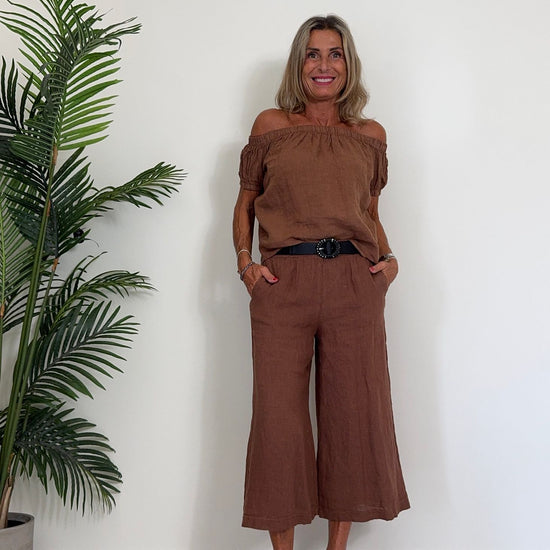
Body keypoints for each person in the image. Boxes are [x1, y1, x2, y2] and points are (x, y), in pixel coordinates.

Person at [232, 14, 410, 550]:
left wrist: (390, 261)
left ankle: (337, 547)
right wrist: (246, 265)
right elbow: (244, 205)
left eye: (335, 54)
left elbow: (369, 213)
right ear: (299, 63)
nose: (324, 65)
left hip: (356, 284)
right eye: (313, 54)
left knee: (353, 414)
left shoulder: (370, 136)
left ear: (348, 65)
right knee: (278, 421)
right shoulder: (271, 126)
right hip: (282, 282)